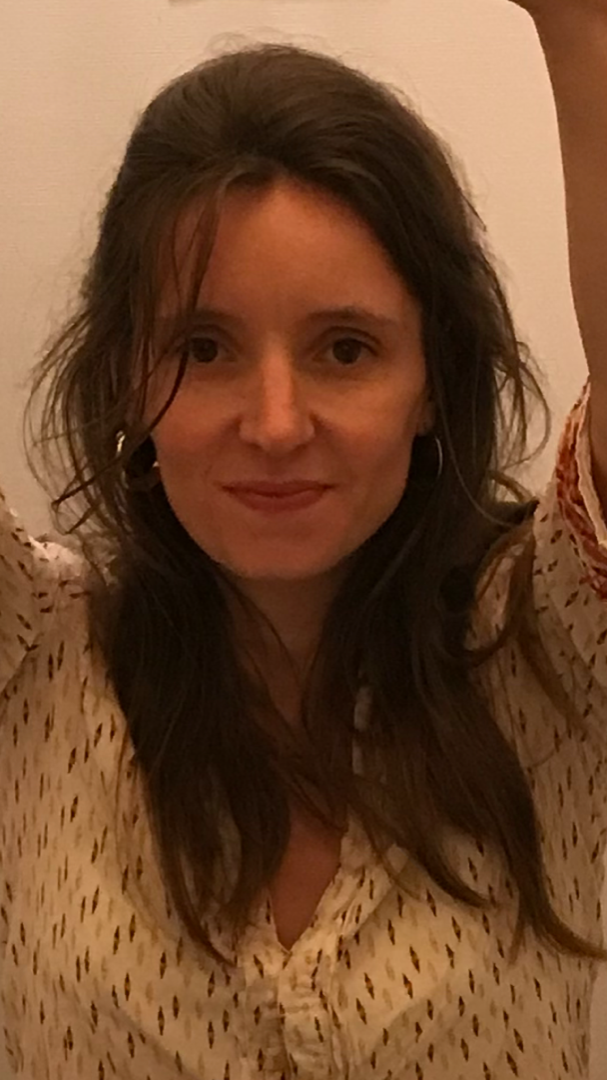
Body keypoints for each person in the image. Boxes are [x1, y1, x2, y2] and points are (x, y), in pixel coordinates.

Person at [1, 0, 607, 1075]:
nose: (276, 425)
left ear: (432, 383)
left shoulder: (551, 645)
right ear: (126, 379)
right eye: (203, 347)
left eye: (344, 349)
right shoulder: (29, 657)